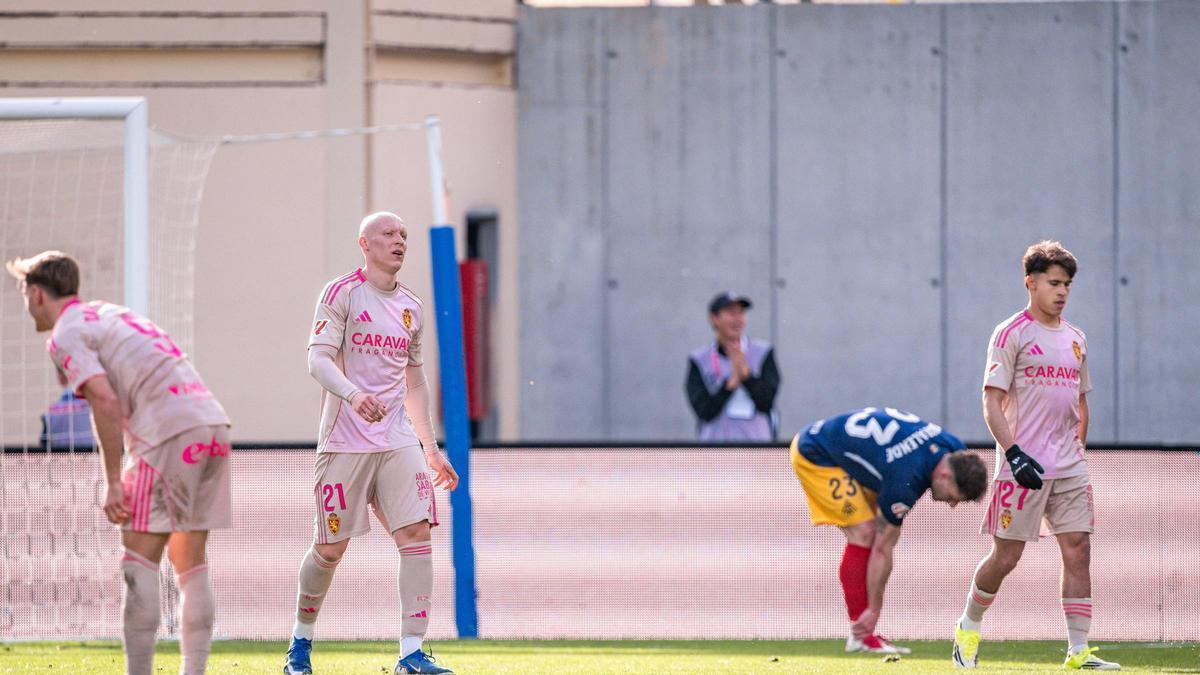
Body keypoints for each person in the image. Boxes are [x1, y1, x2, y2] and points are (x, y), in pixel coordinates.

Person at [7, 251, 232, 675]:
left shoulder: (65, 333)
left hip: (166, 433)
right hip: (212, 425)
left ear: (36, 294)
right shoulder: (110, 314)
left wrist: (113, 482)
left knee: (138, 561)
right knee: (191, 562)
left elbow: (105, 401)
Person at [285, 212, 459, 675]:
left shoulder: (411, 307)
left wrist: (430, 447)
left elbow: (415, 381)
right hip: (344, 440)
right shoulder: (342, 292)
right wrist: (353, 394)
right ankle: (299, 646)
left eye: (403, 234)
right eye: (388, 233)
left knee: (417, 534)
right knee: (330, 549)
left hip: (397, 439)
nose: (398, 240)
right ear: (364, 243)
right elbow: (317, 359)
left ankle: (411, 653)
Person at [952, 241, 1119, 670]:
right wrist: (1014, 453)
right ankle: (968, 627)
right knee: (1006, 556)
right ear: (1031, 283)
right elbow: (991, 401)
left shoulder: (1077, 339)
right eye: (1053, 283)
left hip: (1069, 467)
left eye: (1067, 284)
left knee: (1078, 549)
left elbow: (1081, 402)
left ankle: (1078, 651)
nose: (1061, 291)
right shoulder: (1011, 333)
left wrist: (1079, 446)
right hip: (1023, 467)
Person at [790, 406, 988, 654]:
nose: (951, 505)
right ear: (945, 475)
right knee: (864, 534)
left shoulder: (953, 448)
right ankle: (861, 635)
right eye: (953, 497)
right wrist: (874, 609)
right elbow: (883, 550)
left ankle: (863, 634)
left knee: (872, 532)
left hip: (847, 449)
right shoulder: (905, 479)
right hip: (815, 453)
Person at [686, 292, 780, 441]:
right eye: (731, 313)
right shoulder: (699, 359)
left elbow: (766, 403)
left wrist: (747, 376)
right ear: (714, 318)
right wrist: (729, 385)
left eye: (741, 313)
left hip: (758, 449)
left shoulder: (763, 352)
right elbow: (703, 411)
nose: (738, 319)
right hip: (715, 450)